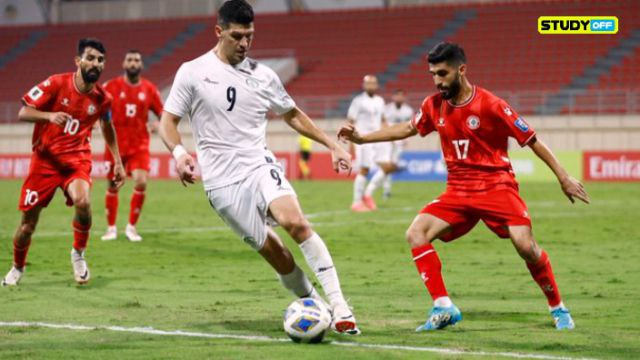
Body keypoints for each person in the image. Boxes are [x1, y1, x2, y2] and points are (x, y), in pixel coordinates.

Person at [338, 42, 589, 331]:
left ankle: (558, 308)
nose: (437, 81)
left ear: (462, 70)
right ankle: (443, 307)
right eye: (432, 74)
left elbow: (531, 139)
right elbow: (408, 128)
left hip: (497, 186)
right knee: (416, 233)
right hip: (458, 191)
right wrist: (362, 139)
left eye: (442, 74)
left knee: (525, 246)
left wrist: (564, 177)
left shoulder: (492, 104)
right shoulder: (433, 105)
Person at [158, 0, 359, 335]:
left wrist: (332, 144)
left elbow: (292, 114)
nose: (244, 43)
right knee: (276, 254)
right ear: (218, 32)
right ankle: (314, 303)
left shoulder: (264, 75)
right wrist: (179, 153)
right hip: (222, 184)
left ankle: (339, 305)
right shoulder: (192, 72)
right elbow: (167, 122)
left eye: (249, 36)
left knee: (295, 222)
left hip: (258, 164)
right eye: (237, 36)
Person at [2, 38, 125, 286]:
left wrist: (118, 162)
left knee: (83, 201)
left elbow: (108, 127)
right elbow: (23, 111)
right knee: (27, 226)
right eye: (90, 58)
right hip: (44, 162)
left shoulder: (103, 99)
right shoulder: (56, 83)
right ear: (78, 61)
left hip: (76, 160)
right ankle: (17, 267)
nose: (96, 63)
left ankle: (78, 254)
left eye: (100, 60)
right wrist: (48, 115)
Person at [100, 50, 163, 242]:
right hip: (115, 147)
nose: (133, 63)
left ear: (141, 65)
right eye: (130, 60)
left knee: (141, 181)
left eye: (137, 60)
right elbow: (98, 109)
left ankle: (131, 227)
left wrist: (158, 125)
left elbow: (164, 115)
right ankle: (111, 228)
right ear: (124, 64)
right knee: (113, 184)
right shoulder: (110, 86)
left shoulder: (150, 89)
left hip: (139, 145)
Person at [347, 74, 393, 212]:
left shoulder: (380, 100)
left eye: (373, 83)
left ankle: (367, 195)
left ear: (377, 85)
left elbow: (383, 119)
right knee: (364, 169)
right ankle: (356, 203)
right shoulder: (358, 101)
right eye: (368, 83)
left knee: (387, 167)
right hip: (363, 139)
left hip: (378, 138)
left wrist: (389, 135)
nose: (371, 86)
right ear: (364, 85)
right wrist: (350, 141)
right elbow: (350, 121)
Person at [379, 89, 414, 200]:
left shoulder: (408, 111)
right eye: (397, 96)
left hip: (400, 142)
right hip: (388, 140)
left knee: (391, 165)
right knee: (387, 165)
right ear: (393, 97)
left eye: (401, 96)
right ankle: (386, 189)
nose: (399, 98)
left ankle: (386, 189)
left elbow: (410, 125)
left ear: (404, 98)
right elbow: (382, 123)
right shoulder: (387, 109)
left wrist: (407, 138)